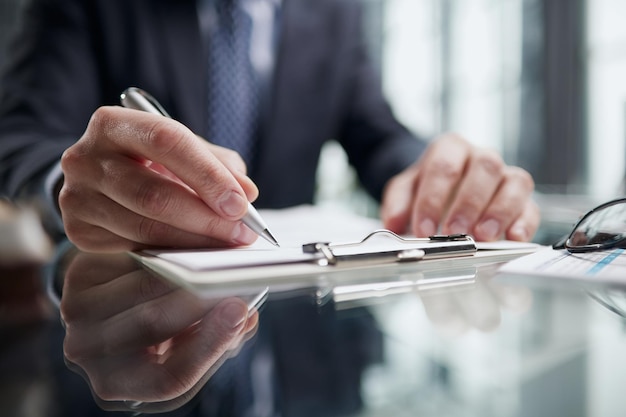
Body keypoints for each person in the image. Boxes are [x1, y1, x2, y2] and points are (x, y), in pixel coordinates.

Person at [0, 0, 539, 253]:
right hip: (126, 335)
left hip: (298, 347)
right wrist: (70, 184)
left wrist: (437, 173)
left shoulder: (335, 14)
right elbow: (21, 143)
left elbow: (380, 137)